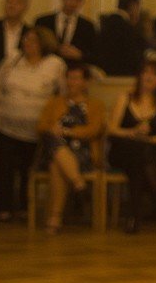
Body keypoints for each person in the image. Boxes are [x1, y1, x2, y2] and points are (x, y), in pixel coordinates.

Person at [0, 27, 65, 221]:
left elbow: (62, 96)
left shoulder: (55, 64)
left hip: (35, 128)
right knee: (3, 166)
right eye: (26, 39)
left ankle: (24, 206)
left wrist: (55, 120)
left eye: (33, 40)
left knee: (27, 168)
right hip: (5, 123)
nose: (27, 43)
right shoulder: (12, 60)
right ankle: (2, 207)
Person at [37, 62, 106, 233]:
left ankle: (55, 218)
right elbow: (41, 126)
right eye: (69, 78)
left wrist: (67, 132)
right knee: (55, 146)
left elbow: (94, 130)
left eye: (76, 78)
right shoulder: (55, 103)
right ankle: (79, 184)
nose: (71, 82)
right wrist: (53, 129)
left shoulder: (96, 105)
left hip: (83, 151)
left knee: (56, 161)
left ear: (85, 82)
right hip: (55, 148)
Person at [106, 59, 156, 233]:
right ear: (140, 75)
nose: (149, 77)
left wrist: (147, 140)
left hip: (145, 154)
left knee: (139, 163)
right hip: (121, 151)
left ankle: (134, 218)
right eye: (146, 72)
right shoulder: (125, 98)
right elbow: (111, 128)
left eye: (155, 74)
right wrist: (132, 132)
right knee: (140, 154)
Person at [36, 0, 98, 66]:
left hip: (75, 69)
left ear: (82, 1)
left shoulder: (88, 26)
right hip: (46, 67)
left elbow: (95, 55)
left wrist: (80, 55)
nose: (72, 3)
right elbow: (36, 47)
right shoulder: (43, 22)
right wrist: (56, 49)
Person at [94, 0, 148, 77]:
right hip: (125, 78)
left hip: (104, 78)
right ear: (132, 5)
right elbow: (136, 60)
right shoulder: (130, 31)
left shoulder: (104, 25)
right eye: (138, 6)